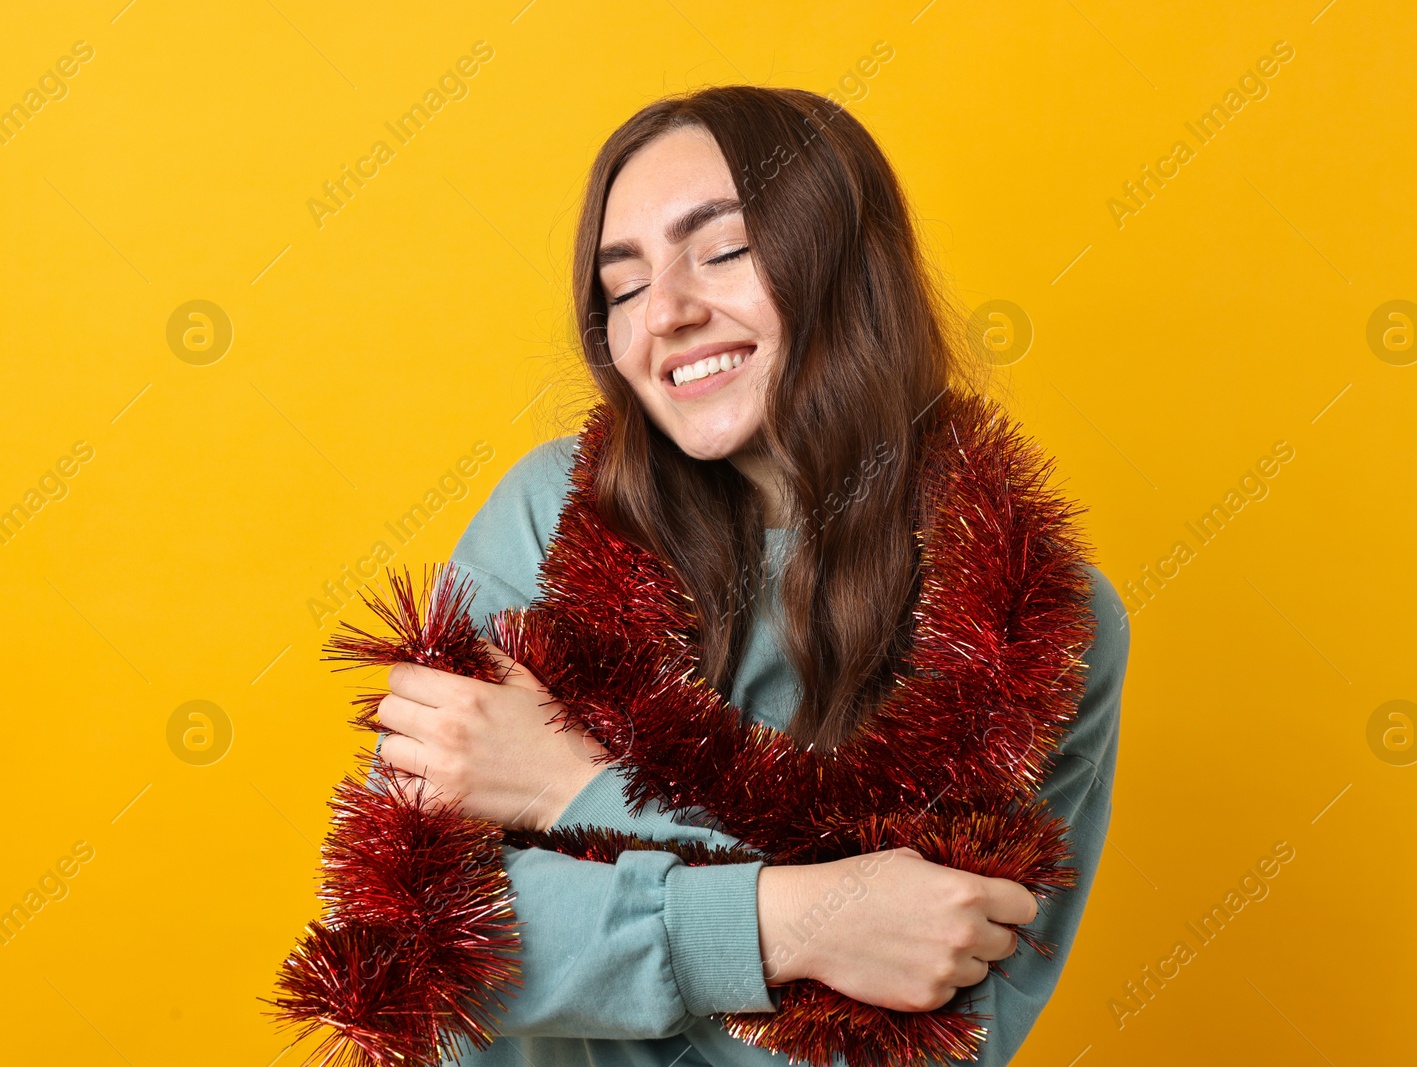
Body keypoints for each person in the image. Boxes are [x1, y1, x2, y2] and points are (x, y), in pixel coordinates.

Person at [370, 84, 1129, 1067]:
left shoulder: (1031, 619)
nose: (669, 313)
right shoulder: (549, 514)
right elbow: (410, 941)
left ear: (845, 263)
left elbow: (920, 1046)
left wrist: (579, 790)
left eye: (722, 250)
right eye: (624, 284)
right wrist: (801, 920)